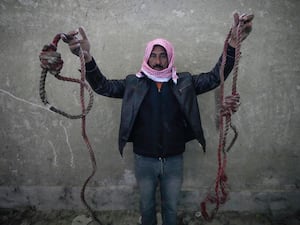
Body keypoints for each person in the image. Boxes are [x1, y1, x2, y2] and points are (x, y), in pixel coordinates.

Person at [66, 12, 253, 225]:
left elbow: (213, 78)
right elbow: (103, 86)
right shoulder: (133, 84)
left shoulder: (184, 82)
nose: (157, 61)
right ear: (147, 57)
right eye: (153, 55)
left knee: (171, 208)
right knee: (147, 208)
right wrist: (86, 58)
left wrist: (233, 45)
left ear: (170, 57)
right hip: (144, 160)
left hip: (174, 160)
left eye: (162, 55)